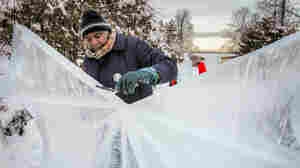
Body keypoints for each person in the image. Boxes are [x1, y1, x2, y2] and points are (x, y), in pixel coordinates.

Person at [80, 10, 178, 103]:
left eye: (98, 36)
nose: (94, 42)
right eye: (88, 39)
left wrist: (147, 74)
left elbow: (170, 66)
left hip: (138, 115)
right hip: (106, 118)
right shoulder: (88, 61)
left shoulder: (132, 46)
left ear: (108, 32)